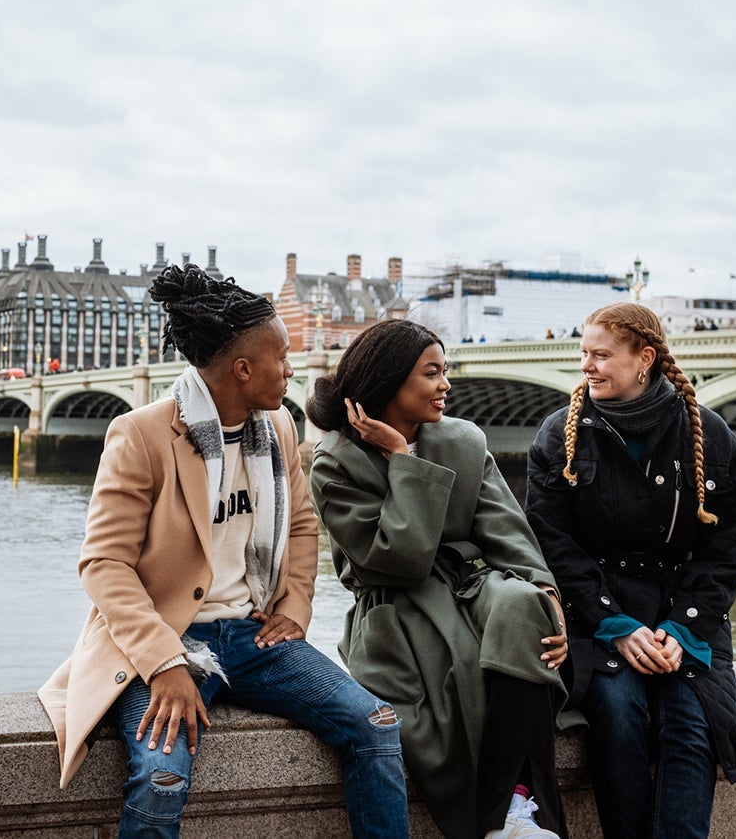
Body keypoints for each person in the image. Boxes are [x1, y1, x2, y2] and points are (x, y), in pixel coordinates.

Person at [39, 264, 409, 839]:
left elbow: (305, 524)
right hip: (168, 638)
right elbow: (103, 563)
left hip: (254, 635)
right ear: (243, 369)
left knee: (378, 725)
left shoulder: (280, 427)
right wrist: (164, 663)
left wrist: (294, 608)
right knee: (161, 777)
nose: (293, 369)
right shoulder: (142, 434)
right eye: (282, 357)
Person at [308, 319, 567, 839]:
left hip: (473, 584)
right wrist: (404, 461)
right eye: (432, 373)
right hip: (398, 607)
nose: (446, 383)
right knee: (468, 672)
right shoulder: (334, 464)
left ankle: (512, 812)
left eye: (445, 371)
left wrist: (545, 591)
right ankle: (510, 814)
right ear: (389, 380)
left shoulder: (463, 440)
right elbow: (398, 560)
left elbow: (505, 529)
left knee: (522, 609)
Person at [524, 303, 736, 839]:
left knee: (692, 719)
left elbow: (726, 549)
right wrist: (613, 623)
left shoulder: (711, 436)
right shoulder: (558, 435)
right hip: (597, 616)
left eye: (601, 355)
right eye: (583, 353)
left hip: (685, 615)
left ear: (645, 359)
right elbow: (551, 544)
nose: (586, 366)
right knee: (617, 710)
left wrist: (683, 628)